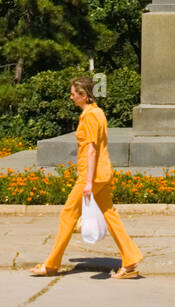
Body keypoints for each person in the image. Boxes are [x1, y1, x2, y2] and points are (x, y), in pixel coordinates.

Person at [30, 77, 143, 280]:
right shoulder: (97, 113)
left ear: (84, 95)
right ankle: (130, 261)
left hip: (91, 175)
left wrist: (88, 182)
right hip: (102, 172)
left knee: (68, 215)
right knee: (110, 215)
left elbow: (91, 150)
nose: (71, 96)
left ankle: (51, 265)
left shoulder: (90, 116)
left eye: (74, 93)